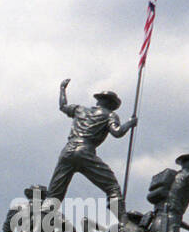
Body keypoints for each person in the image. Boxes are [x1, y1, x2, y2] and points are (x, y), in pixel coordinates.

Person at [47, 79, 137, 220]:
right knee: (112, 187)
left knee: (54, 194)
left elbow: (63, 106)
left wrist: (62, 89)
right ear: (111, 104)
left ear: (98, 101)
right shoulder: (110, 115)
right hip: (84, 152)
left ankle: (38, 228)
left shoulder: (80, 109)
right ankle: (123, 222)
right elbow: (117, 132)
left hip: (67, 151)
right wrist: (130, 124)